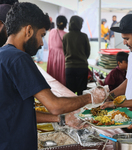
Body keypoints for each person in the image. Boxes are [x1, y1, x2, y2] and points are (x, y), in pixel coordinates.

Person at [1, 2, 107, 149]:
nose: (41, 43)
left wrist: (61, 119)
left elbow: (17, 112)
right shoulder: (19, 58)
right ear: (28, 30)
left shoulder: (3, 55)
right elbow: (55, 105)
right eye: (42, 35)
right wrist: (90, 97)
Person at [63, 15, 90, 95]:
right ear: (79, 24)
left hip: (69, 67)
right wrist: (83, 58)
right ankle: (81, 108)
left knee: (70, 93)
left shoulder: (66, 36)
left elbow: (65, 52)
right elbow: (87, 52)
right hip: (82, 66)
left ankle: (71, 108)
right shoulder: (84, 36)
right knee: (81, 92)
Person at [47, 15, 67, 85]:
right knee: (61, 78)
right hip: (61, 58)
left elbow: (49, 44)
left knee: (53, 76)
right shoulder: (66, 35)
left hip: (52, 57)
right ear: (65, 24)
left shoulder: (52, 31)